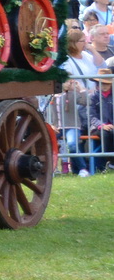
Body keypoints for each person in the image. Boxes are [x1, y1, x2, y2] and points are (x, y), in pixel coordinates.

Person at [59, 30, 110, 176]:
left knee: (93, 132)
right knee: (78, 136)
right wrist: (83, 91)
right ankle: (80, 168)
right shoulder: (66, 61)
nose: (85, 43)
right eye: (82, 41)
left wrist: (92, 49)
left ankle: (92, 165)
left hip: (91, 99)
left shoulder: (87, 55)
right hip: (77, 102)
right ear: (73, 43)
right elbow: (69, 80)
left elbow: (101, 65)